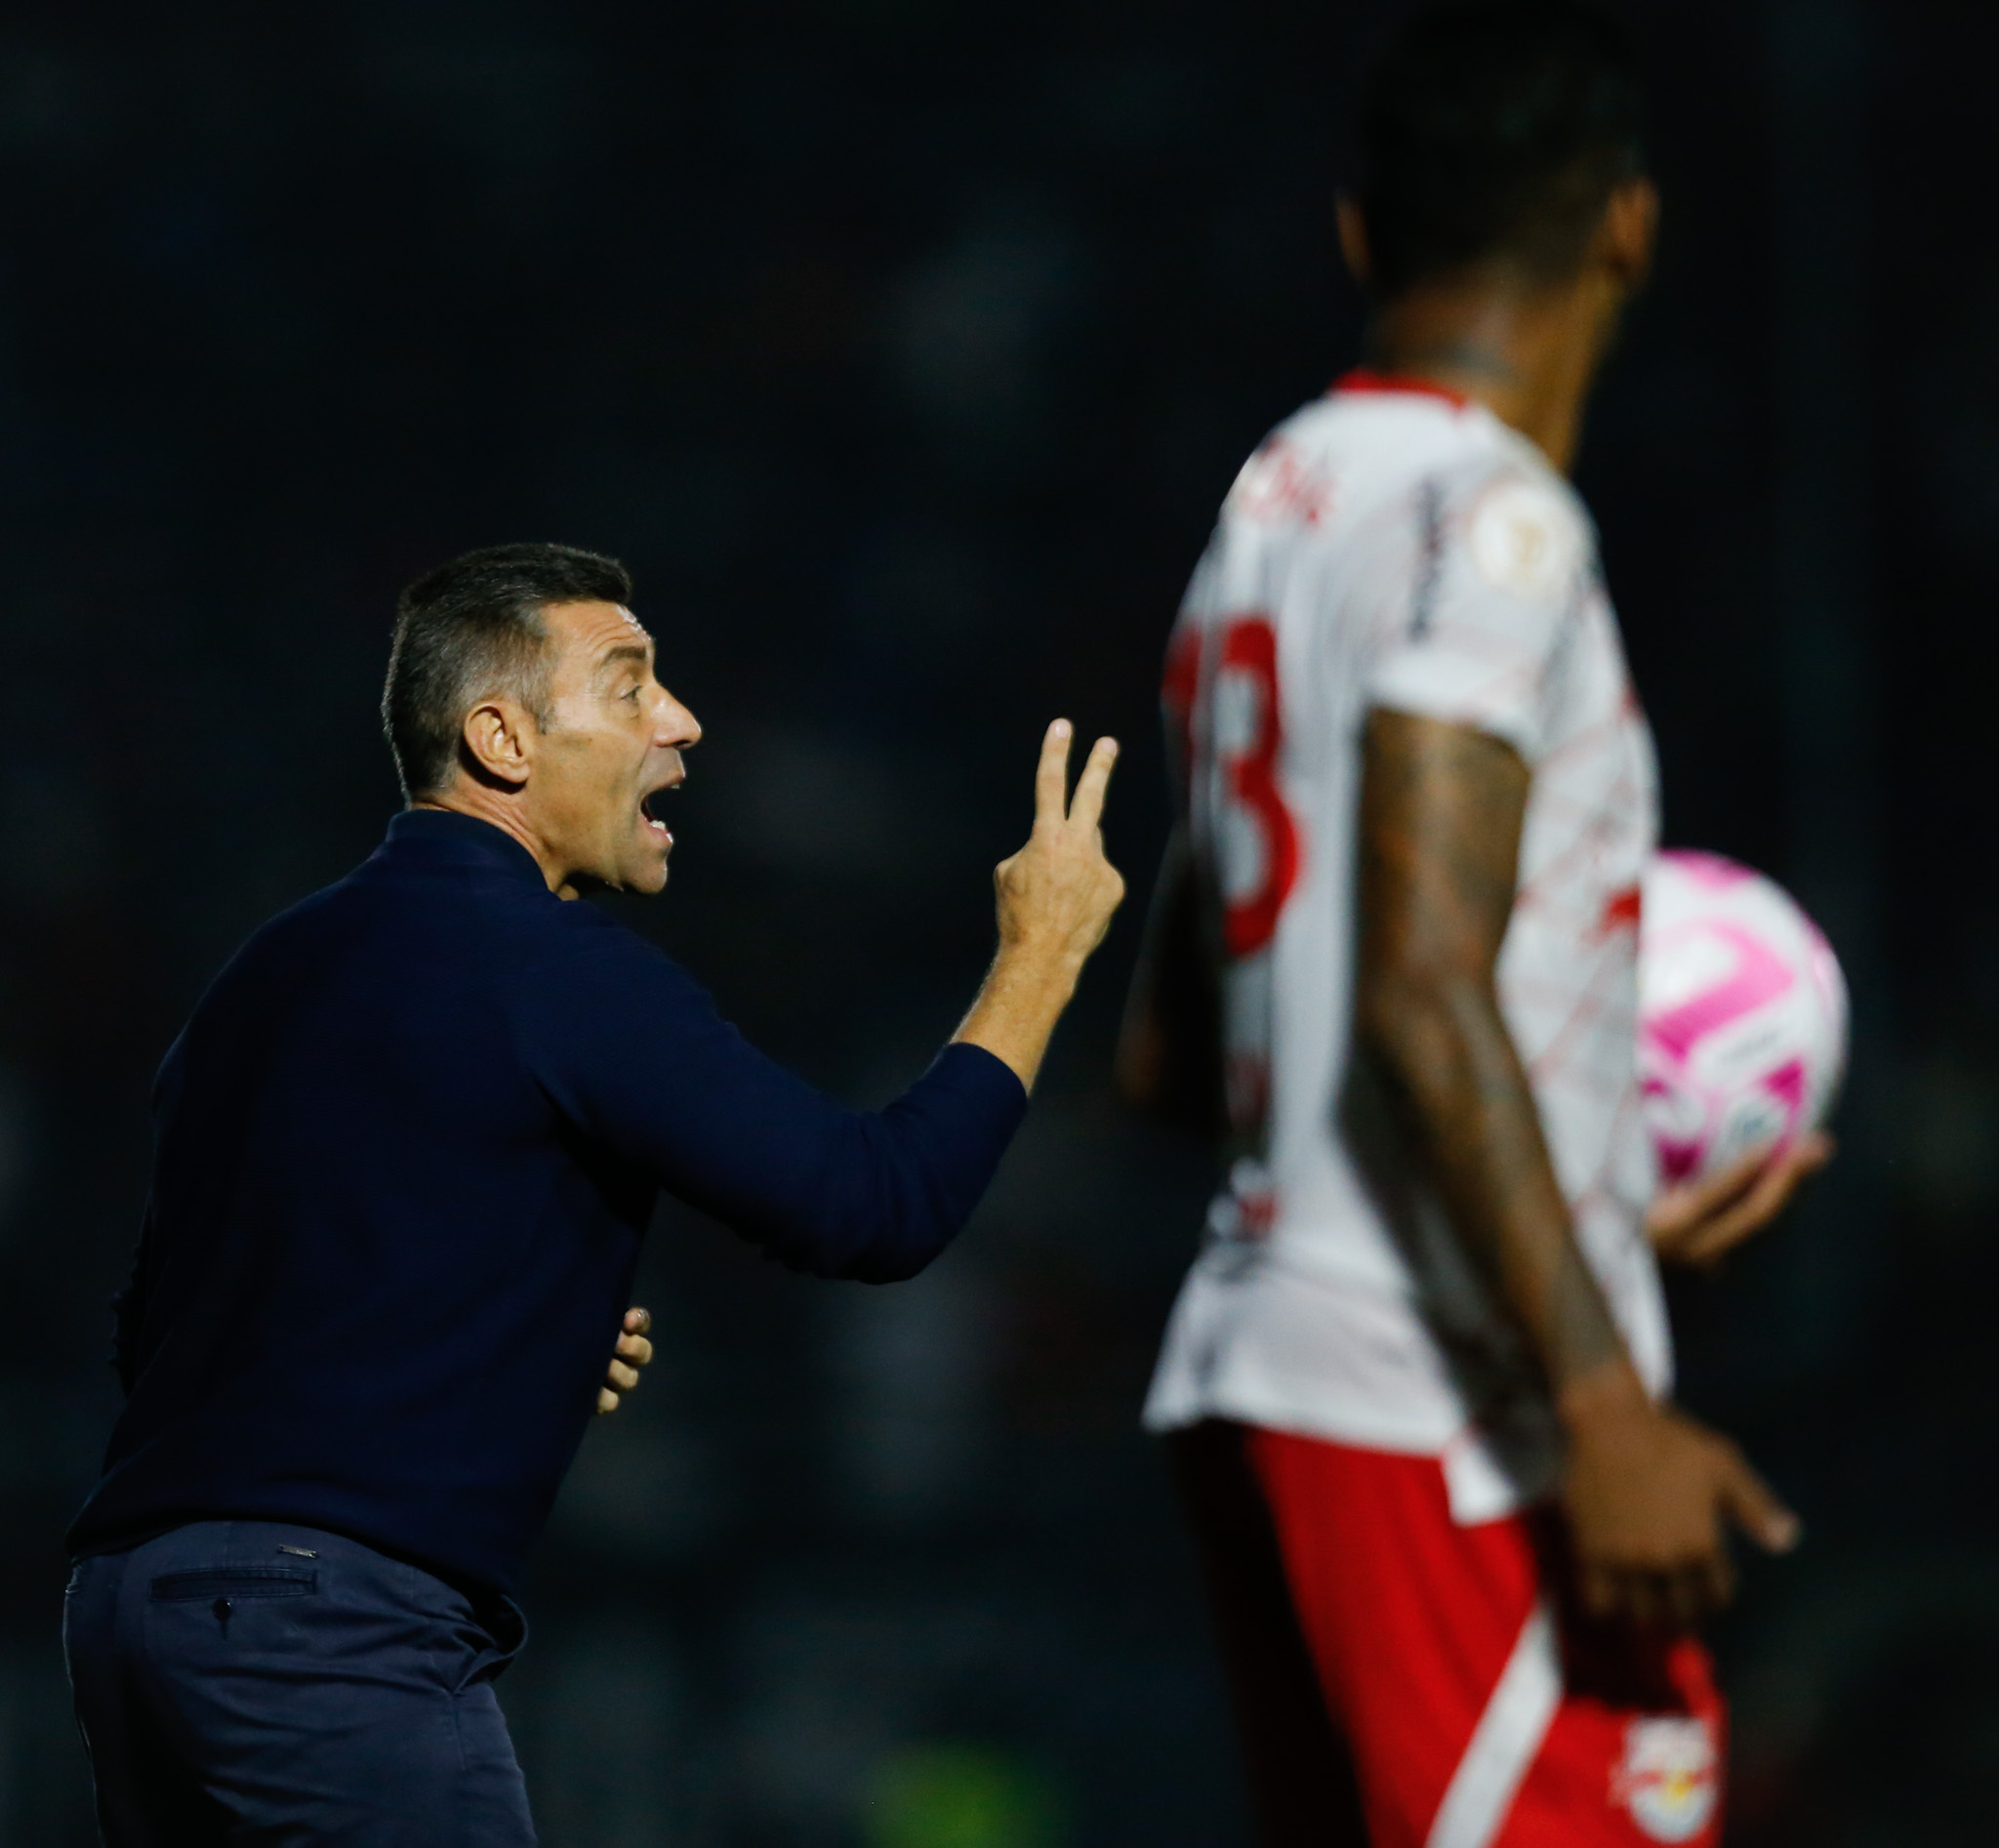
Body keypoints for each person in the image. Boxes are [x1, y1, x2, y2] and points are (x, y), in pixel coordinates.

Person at [63, 542, 1125, 1844]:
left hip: (138, 1619)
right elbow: (877, 1204)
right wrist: (1043, 954)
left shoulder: (261, 976)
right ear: (502, 737)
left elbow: (162, 1325)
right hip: (330, 1633)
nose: (679, 720)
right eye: (628, 685)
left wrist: (492, 1330)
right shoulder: (551, 968)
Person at [1118, 7, 1832, 1845]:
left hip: (1263, 1359)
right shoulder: (1498, 523)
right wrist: (1599, 1395)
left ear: (1361, 232)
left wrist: (1589, 1207)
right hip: (1440, 1412)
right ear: (1629, 226)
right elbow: (1423, 985)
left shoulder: (1270, 506)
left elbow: (1174, 1048)